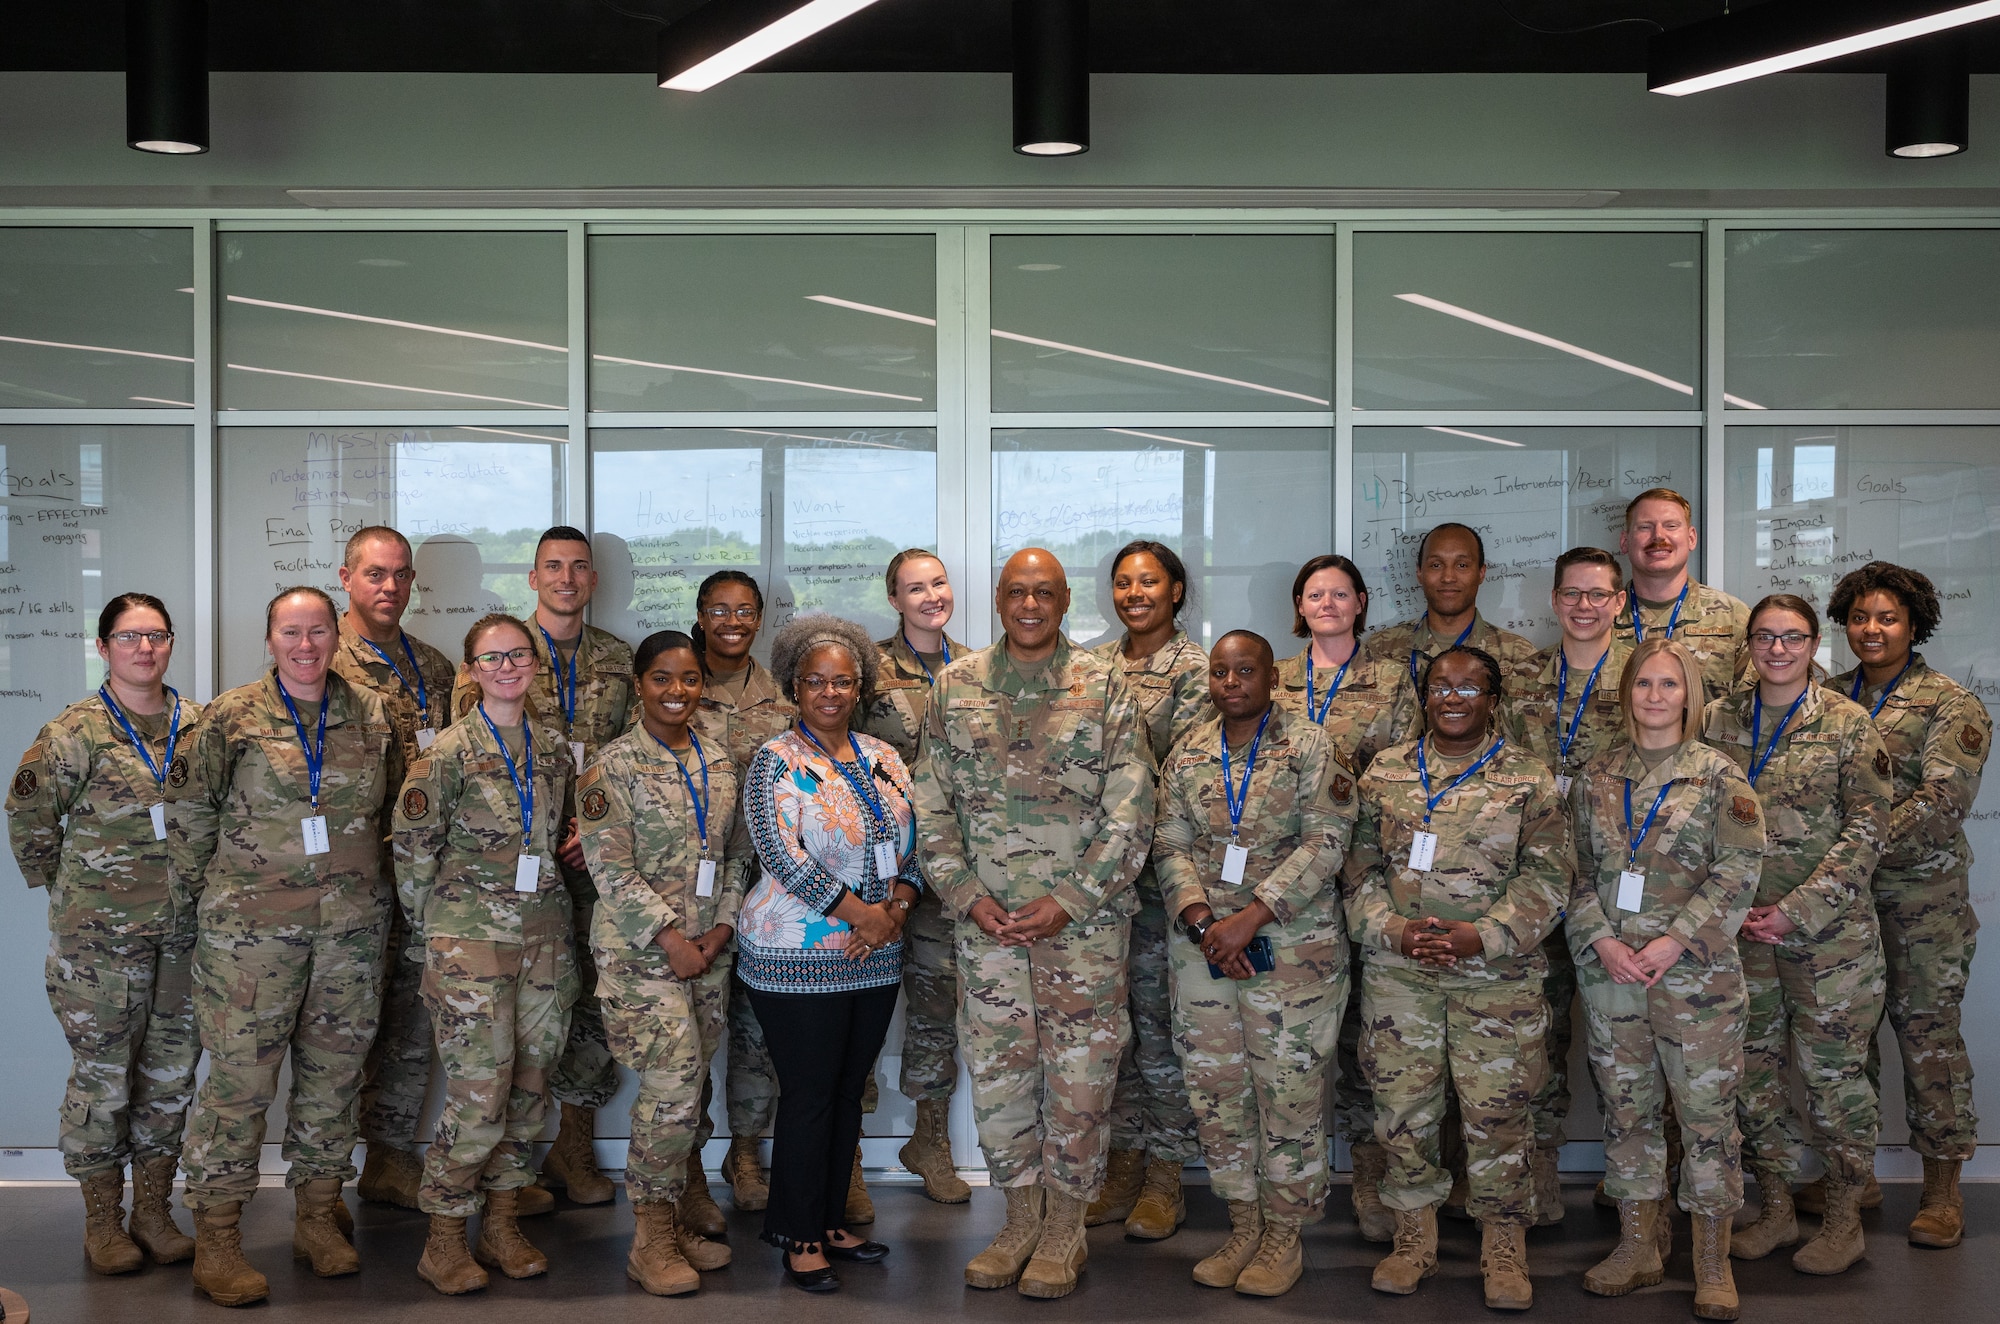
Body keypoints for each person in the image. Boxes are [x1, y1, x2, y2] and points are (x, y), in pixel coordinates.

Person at [911, 547, 1155, 1300]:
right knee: (1000, 1081)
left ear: (1063, 600)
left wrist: (1072, 899)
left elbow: (1130, 812)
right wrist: (963, 895)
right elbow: (931, 805)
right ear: (999, 598)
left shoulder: (1106, 686)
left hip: (1081, 931)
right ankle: (1018, 1219)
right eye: (1016, 592)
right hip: (988, 930)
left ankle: (1064, 1231)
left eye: (1043, 593)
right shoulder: (955, 688)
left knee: (1080, 1081)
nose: (1028, 605)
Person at [167, 586, 404, 1307]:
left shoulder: (377, 713)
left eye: (318, 631)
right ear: (269, 639)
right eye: (290, 632)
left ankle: (317, 1220)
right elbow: (188, 819)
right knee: (239, 1088)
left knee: (333, 1084)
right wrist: (215, 910)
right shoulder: (230, 719)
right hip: (250, 940)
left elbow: (397, 815)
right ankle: (218, 1238)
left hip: (351, 934)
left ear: (338, 635)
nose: (306, 645)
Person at [1345, 645, 1570, 1312]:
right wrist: (1393, 929)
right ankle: (1414, 1238)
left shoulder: (1529, 779)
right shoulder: (1383, 774)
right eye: (1441, 685)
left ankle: (1503, 1244)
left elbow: (1551, 878)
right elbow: (1355, 870)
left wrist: (1486, 936)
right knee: (1403, 1114)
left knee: (1498, 1113)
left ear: (1494, 700)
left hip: (1494, 977)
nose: (1452, 696)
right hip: (1400, 976)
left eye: (1470, 687)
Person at [1154, 630, 1357, 1296]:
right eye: (1220, 672)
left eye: (1246, 671)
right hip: (1206, 951)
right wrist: (1207, 923)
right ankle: (1243, 1223)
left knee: (1290, 1095)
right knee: (1218, 1093)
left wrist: (1252, 917)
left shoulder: (1311, 745)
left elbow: (1327, 841)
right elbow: (1168, 844)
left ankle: (1283, 1235)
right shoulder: (1188, 748)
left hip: (1293, 952)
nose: (1231, 682)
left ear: (1275, 678)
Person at [6, 594, 202, 1273]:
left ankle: (154, 1211)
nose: (144, 649)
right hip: (99, 949)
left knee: (171, 1079)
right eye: (129, 637)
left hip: (183, 941)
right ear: (104, 647)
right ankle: (102, 1221)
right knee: (104, 1080)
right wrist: (74, 895)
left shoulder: (199, 727)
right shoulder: (74, 733)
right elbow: (29, 820)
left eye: (155, 636)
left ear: (170, 643)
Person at [1568, 639, 1762, 1320]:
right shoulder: (1597, 774)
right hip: (1613, 973)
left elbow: (1739, 870)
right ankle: (1638, 1247)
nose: (1655, 695)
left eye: (1669, 685)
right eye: (1643, 683)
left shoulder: (1718, 775)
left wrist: (1676, 942)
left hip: (1695, 978)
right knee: (1627, 1111)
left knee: (1707, 1119)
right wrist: (1600, 939)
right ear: (1627, 693)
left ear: (1690, 695)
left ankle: (1710, 1258)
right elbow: (1573, 870)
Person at [1703, 594, 1890, 1276]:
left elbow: (1868, 830)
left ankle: (1843, 1218)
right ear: (1749, 643)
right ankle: (1776, 1207)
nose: (1777, 649)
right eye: (1765, 637)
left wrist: (1799, 910)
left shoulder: (1847, 724)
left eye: (1793, 637)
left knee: (1833, 1079)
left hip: (1828, 942)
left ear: (1814, 644)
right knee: (1753, 1078)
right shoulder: (1718, 719)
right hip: (1740, 935)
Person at [737, 615, 924, 1293]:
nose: (829, 692)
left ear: (859, 686)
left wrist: (894, 911)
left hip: (875, 955)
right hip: (794, 955)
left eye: (843, 681)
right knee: (811, 1094)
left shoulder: (884, 756)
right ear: (794, 685)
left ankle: (831, 1219)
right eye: (815, 681)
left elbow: (916, 845)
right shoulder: (775, 761)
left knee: (849, 1092)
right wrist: (862, 915)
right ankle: (796, 1234)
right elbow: (780, 856)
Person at [393, 614, 575, 1294]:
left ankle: (501, 1222)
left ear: (534, 664)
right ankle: (443, 1237)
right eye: (492, 658)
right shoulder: (444, 755)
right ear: (471, 670)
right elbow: (412, 856)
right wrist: (438, 938)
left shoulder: (553, 751)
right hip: (469, 947)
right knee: (479, 1094)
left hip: (544, 941)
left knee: (530, 1089)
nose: (507, 667)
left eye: (518, 656)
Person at [452, 526, 632, 1209]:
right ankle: (505, 1169)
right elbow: (476, 761)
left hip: (598, 858)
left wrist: (600, 826)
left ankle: (574, 1147)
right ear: (532, 578)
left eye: (579, 567)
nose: (566, 578)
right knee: (509, 1022)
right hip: (510, 872)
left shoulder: (618, 660)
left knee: (588, 1005)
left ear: (593, 579)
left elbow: (629, 758)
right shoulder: (498, 654)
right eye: (552, 567)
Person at [580, 630, 753, 1296]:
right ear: (639, 683)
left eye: (687, 679)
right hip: (641, 955)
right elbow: (609, 869)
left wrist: (723, 926)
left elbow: (736, 855)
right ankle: (649, 1240)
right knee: (674, 1084)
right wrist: (671, 938)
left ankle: (676, 1217)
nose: (676, 691)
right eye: (661, 678)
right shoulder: (611, 765)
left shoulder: (717, 759)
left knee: (689, 1093)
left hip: (708, 951)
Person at [1825, 562, 1990, 1248]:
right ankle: (1853, 1179)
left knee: (1929, 1043)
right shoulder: (1826, 699)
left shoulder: (1952, 705)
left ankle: (1942, 1191)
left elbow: (1943, 804)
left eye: (1887, 618)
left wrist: (1846, 847)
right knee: (1846, 1039)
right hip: (1841, 904)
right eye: (1860, 617)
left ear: (1914, 625)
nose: (1872, 629)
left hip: (1922, 903)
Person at [1274, 553, 1417, 1245]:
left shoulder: (1391, 680)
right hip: (1288, 881)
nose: (1326, 604)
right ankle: (1290, 1188)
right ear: (1298, 605)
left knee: (1371, 1032)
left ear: (1361, 602)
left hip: (1367, 869)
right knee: (1296, 1039)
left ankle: (1369, 1174)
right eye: (1313, 594)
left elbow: (1416, 773)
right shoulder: (1270, 681)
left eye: (1339, 594)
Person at [334, 526, 463, 1214]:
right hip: (350, 879)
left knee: (415, 1020)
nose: (390, 587)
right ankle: (325, 1174)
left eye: (402, 575)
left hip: (422, 876)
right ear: (346, 578)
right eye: (376, 574)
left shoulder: (436, 668)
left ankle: (388, 1158)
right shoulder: (323, 661)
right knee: (347, 1022)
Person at [1085, 540, 1209, 1240]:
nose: (1135, 594)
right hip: (1100, 886)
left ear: (1177, 590)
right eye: (1124, 583)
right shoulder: (1093, 667)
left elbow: (1180, 777)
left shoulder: (1197, 671)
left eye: (1149, 582)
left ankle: (1167, 1175)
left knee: (1163, 1031)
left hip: (1161, 884)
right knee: (1117, 1031)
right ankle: (1123, 1163)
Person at [1506, 546, 1633, 1224]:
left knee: (1624, 1045)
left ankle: (1633, 1180)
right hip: (1535, 887)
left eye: (1598, 594)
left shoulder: (1647, 675)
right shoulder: (1524, 678)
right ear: (1554, 601)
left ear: (1619, 602)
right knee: (1538, 1042)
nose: (1583, 606)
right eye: (1571, 594)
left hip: (1620, 891)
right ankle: (1541, 1174)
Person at [854, 548, 972, 1204]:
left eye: (938, 583)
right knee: (859, 1005)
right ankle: (844, 1157)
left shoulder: (979, 668)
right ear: (894, 599)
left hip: (949, 872)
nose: (931, 596)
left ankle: (930, 1138)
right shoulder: (866, 671)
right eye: (915, 588)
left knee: (935, 1006)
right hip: (877, 869)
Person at [1363, 523, 1539, 703]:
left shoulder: (1517, 655)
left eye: (1462, 565)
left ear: (1481, 573)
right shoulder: (1381, 649)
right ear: (1419, 572)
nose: (1448, 577)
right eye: (1436, 565)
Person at [1614, 488, 1750, 701]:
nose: (1658, 535)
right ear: (1625, 541)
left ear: (1691, 538)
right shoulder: (1601, 616)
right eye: (1644, 527)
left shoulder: (1733, 617)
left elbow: (1755, 706)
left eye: (1671, 526)